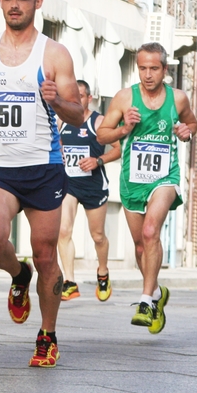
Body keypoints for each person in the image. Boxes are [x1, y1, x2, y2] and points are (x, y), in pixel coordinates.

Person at [0, 0, 83, 367]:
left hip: (43, 166)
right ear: (1, 2)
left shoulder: (54, 54)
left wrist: (57, 102)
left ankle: (47, 335)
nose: (15, 4)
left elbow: (78, 116)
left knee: (46, 254)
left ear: (37, 4)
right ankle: (18, 275)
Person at [96, 42, 197, 334]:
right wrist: (124, 129)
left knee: (152, 231)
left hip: (165, 176)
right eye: (142, 68)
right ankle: (155, 293)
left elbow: (192, 123)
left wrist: (185, 132)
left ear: (165, 69)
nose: (148, 74)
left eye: (154, 68)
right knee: (141, 245)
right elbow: (102, 133)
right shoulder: (125, 98)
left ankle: (145, 301)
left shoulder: (177, 98)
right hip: (132, 180)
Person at [56, 80, 121, 302]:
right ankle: (70, 281)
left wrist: (98, 161)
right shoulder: (61, 120)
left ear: (89, 98)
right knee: (63, 230)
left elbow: (119, 149)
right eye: (72, 96)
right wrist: (60, 153)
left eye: (81, 96)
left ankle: (103, 272)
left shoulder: (99, 121)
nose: (76, 100)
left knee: (98, 236)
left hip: (94, 185)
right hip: (70, 184)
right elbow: (54, 143)